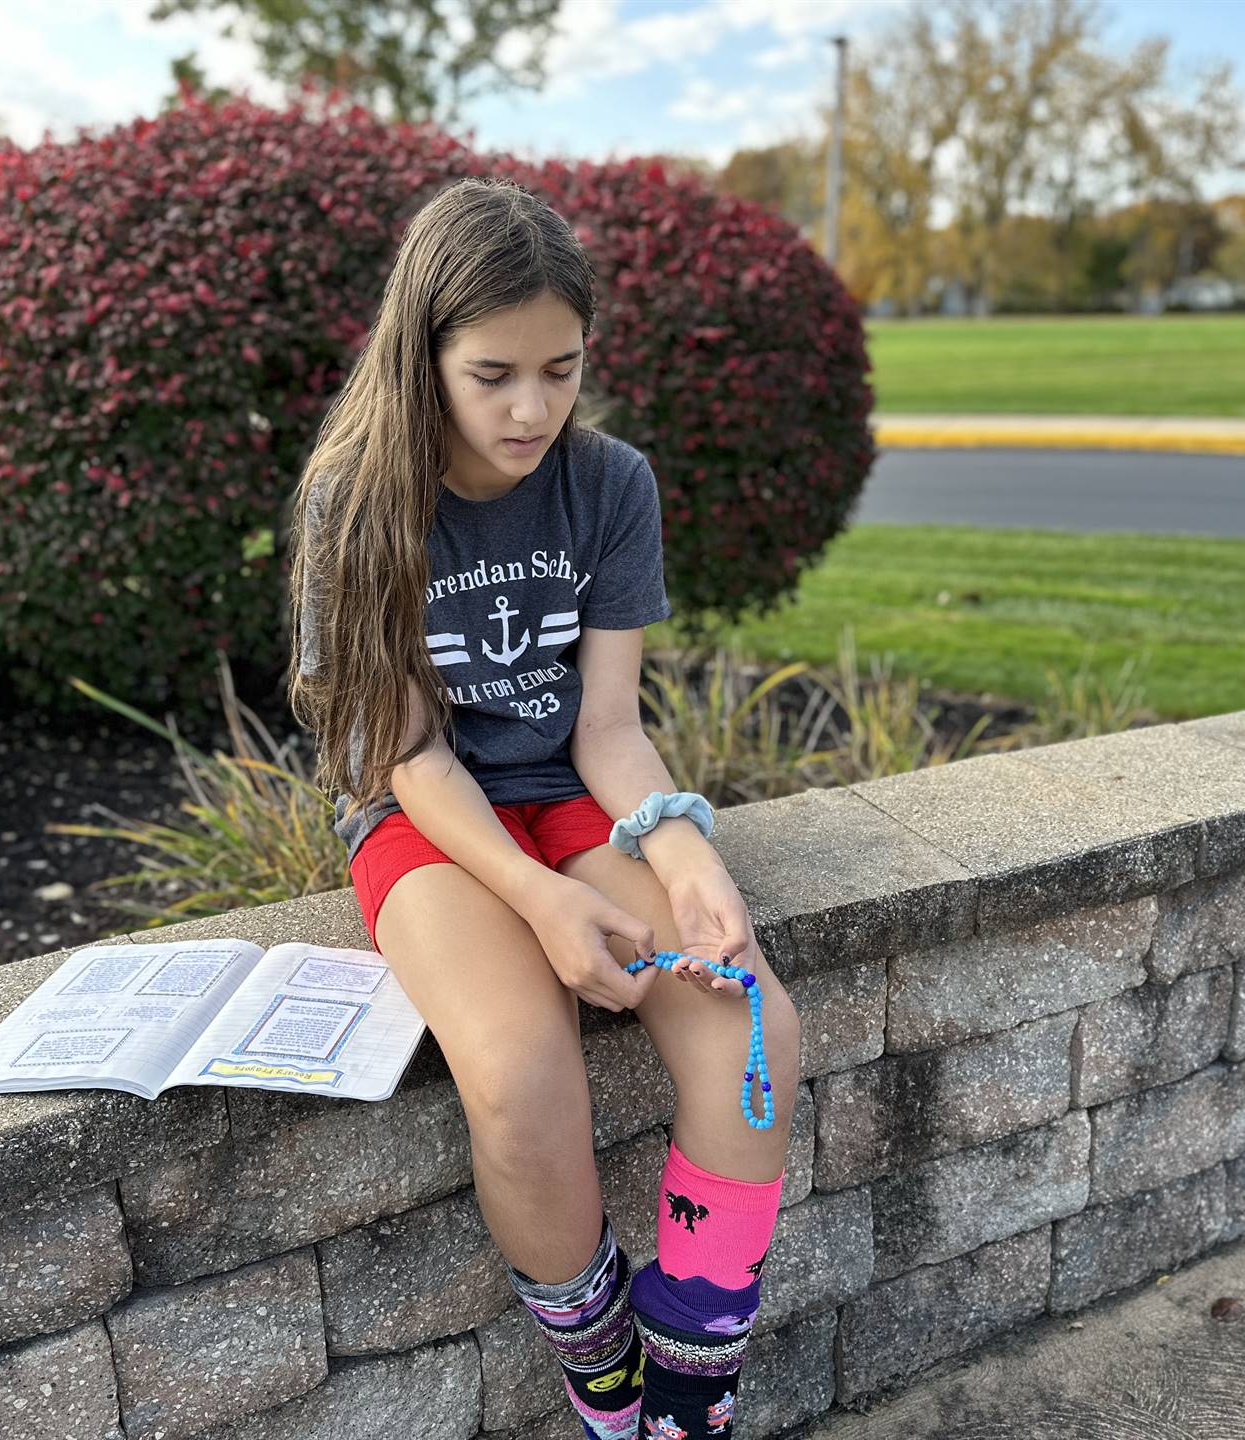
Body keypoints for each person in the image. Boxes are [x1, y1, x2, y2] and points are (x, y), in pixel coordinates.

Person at [284, 174, 802, 1440]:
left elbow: (608, 728)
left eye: (561, 370)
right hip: (424, 812)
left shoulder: (609, 485)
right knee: (519, 1076)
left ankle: (690, 1384)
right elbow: (409, 757)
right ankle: (604, 1374)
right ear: (425, 359)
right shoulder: (358, 502)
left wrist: (684, 860)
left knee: (750, 1032)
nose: (531, 409)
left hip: (569, 790)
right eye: (493, 374)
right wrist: (542, 902)